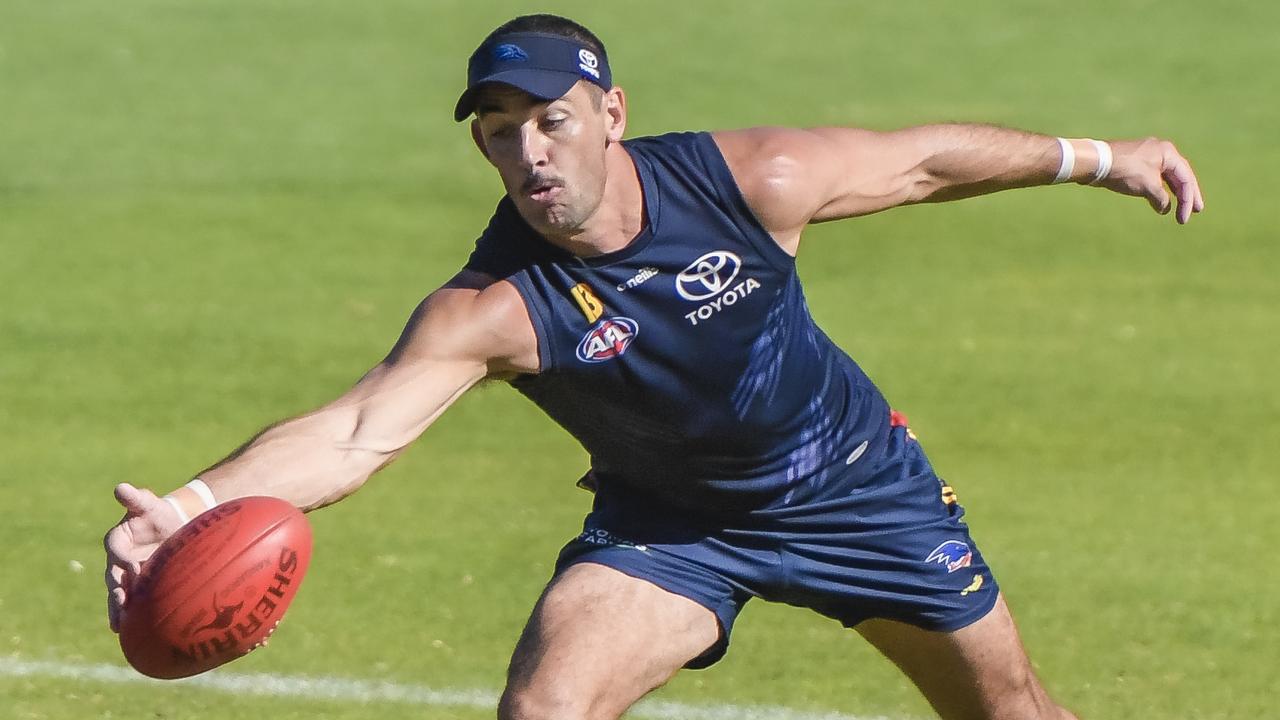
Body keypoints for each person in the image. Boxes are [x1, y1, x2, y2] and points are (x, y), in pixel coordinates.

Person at [103, 13, 1203, 720]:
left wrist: (1101, 160)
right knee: (544, 712)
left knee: (1008, 711)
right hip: (672, 528)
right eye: (497, 133)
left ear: (611, 114)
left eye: (551, 120)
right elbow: (353, 433)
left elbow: (918, 163)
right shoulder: (495, 308)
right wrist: (194, 505)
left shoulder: (750, 180)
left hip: (857, 492)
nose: (528, 153)